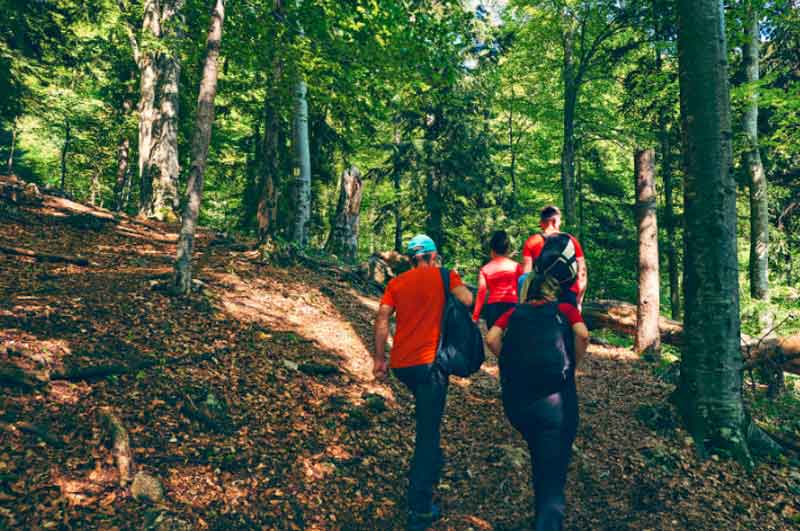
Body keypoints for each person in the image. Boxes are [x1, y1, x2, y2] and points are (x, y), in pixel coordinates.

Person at [372, 234, 473, 531]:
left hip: (404, 365)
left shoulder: (396, 283)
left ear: (411, 258)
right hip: (430, 365)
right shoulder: (445, 275)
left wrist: (380, 358)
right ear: (432, 255)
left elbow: (381, 320)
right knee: (428, 430)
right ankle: (420, 507)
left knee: (427, 416)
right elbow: (467, 300)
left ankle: (430, 465)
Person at [486, 271, 589, 531]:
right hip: (556, 402)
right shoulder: (565, 309)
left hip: (519, 403)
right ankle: (548, 522)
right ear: (551, 290)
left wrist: (507, 361)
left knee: (540, 455)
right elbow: (583, 334)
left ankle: (542, 515)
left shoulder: (513, 313)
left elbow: (491, 338)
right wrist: (574, 362)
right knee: (553, 466)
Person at [522, 205, 587, 308]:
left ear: (541, 223)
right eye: (560, 220)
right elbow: (582, 273)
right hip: (568, 293)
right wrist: (579, 300)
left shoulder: (532, 241)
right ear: (554, 221)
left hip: (541, 296)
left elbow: (526, 274)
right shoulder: (570, 240)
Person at [472, 230, 523, 328]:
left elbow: (481, 292)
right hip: (512, 307)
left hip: (493, 309)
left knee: (493, 340)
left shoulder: (485, 269)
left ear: (492, 250)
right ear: (508, 249)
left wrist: (475, 316)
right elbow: (521, 288)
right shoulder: (516, 267)